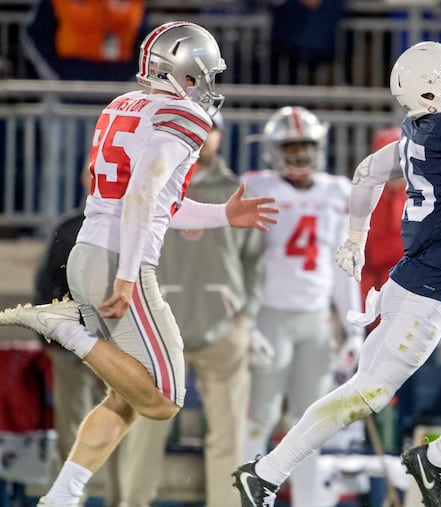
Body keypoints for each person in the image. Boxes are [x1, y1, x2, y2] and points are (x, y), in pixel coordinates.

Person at [233, 40, 441, 507]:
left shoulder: (422, 127)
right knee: (366, 393)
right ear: (429, 91)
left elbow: (369, 170)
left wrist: (354, 236)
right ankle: (265, 473)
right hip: (423, 297)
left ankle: (436, 460)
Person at [0, 21, 278, 507]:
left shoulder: (123, 104)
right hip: (116, 262)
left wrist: (222, 215)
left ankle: (63, 495)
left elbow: (157, 203)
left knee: (124, 398)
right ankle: (66, 329)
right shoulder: (185, 116)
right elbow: (142, 195)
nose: (207, 85)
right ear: (183, 72)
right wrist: (128, 276)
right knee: (164, 401)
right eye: (203, 74)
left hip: (90, 250)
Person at [117, 112, 265, 507]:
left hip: (223, 327)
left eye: (211, 129)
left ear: (219, 137)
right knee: (145, 428)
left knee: (228, 434)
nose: (204, 137)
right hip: (159, 330)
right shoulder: (147, 187)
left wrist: (245, 314)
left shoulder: (235, 190)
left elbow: (255, 261)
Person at [239, 105, 365, 507]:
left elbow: (343, 264)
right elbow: (238, 261)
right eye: (289, 148)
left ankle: (308, 501)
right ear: (274, 151)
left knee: (311, 425)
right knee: (258, 418)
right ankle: (248, 500)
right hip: (269, 316)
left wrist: (355, 326)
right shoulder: (257, 186)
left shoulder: (336, 191)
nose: (298, 156)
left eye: (304, 148)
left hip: (315, 320)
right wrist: (246, 322)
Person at [32, 167, 124, 507]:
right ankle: (66, 501)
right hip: (72, 345)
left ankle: (122, 501)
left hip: (117, 348)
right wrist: (51, 338)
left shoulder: (137, 228)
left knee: (119, 430)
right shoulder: (69, 227)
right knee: (70, 431)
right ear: (86, 181)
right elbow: (45, 284)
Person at [22, 0, 149, 82]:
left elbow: (144, 39)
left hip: (118, 87)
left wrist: (132, 76)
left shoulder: (133, 3)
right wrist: (57, 76)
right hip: (71, 86)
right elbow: (36, 34)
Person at [360, 126, 405, 332]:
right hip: (370, 304)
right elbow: (369, 254)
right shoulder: (364, 196)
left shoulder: (423, 194)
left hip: (413, 304)